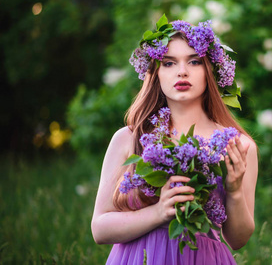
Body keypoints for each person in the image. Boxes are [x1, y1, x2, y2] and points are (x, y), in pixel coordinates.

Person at [91, 16, 258, 264]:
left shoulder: (238, 145)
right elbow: (100, 229)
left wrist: (233, 192)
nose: (182, 71)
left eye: (194, 61)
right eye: (169, 63)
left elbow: (238, 239)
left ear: (210, 70)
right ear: (156, 74)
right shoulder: (129, 139)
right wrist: (158, 212)